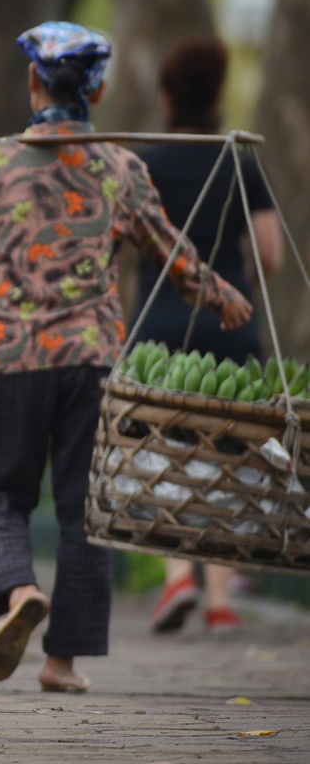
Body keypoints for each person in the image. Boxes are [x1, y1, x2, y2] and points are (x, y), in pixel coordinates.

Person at [0, 20, 251, 694]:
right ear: (100, 89)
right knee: (89, 511)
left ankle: (19, 589)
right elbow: (173, 254)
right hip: (94, 361)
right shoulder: (120, 167)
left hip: (11, 358)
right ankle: (62, 663)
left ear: (32, 82)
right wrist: (223, 295)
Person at [131, 38, 282, 639]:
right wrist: (236, 289)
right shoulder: (241, 163)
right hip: (232, 332)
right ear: (218, 97)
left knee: (164, 457)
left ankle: (175, 579)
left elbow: (127, 247)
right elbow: (268, 251)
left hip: (158, 330)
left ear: (166, 98)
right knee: (230, 462)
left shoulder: (147, 165)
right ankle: (221, 601)